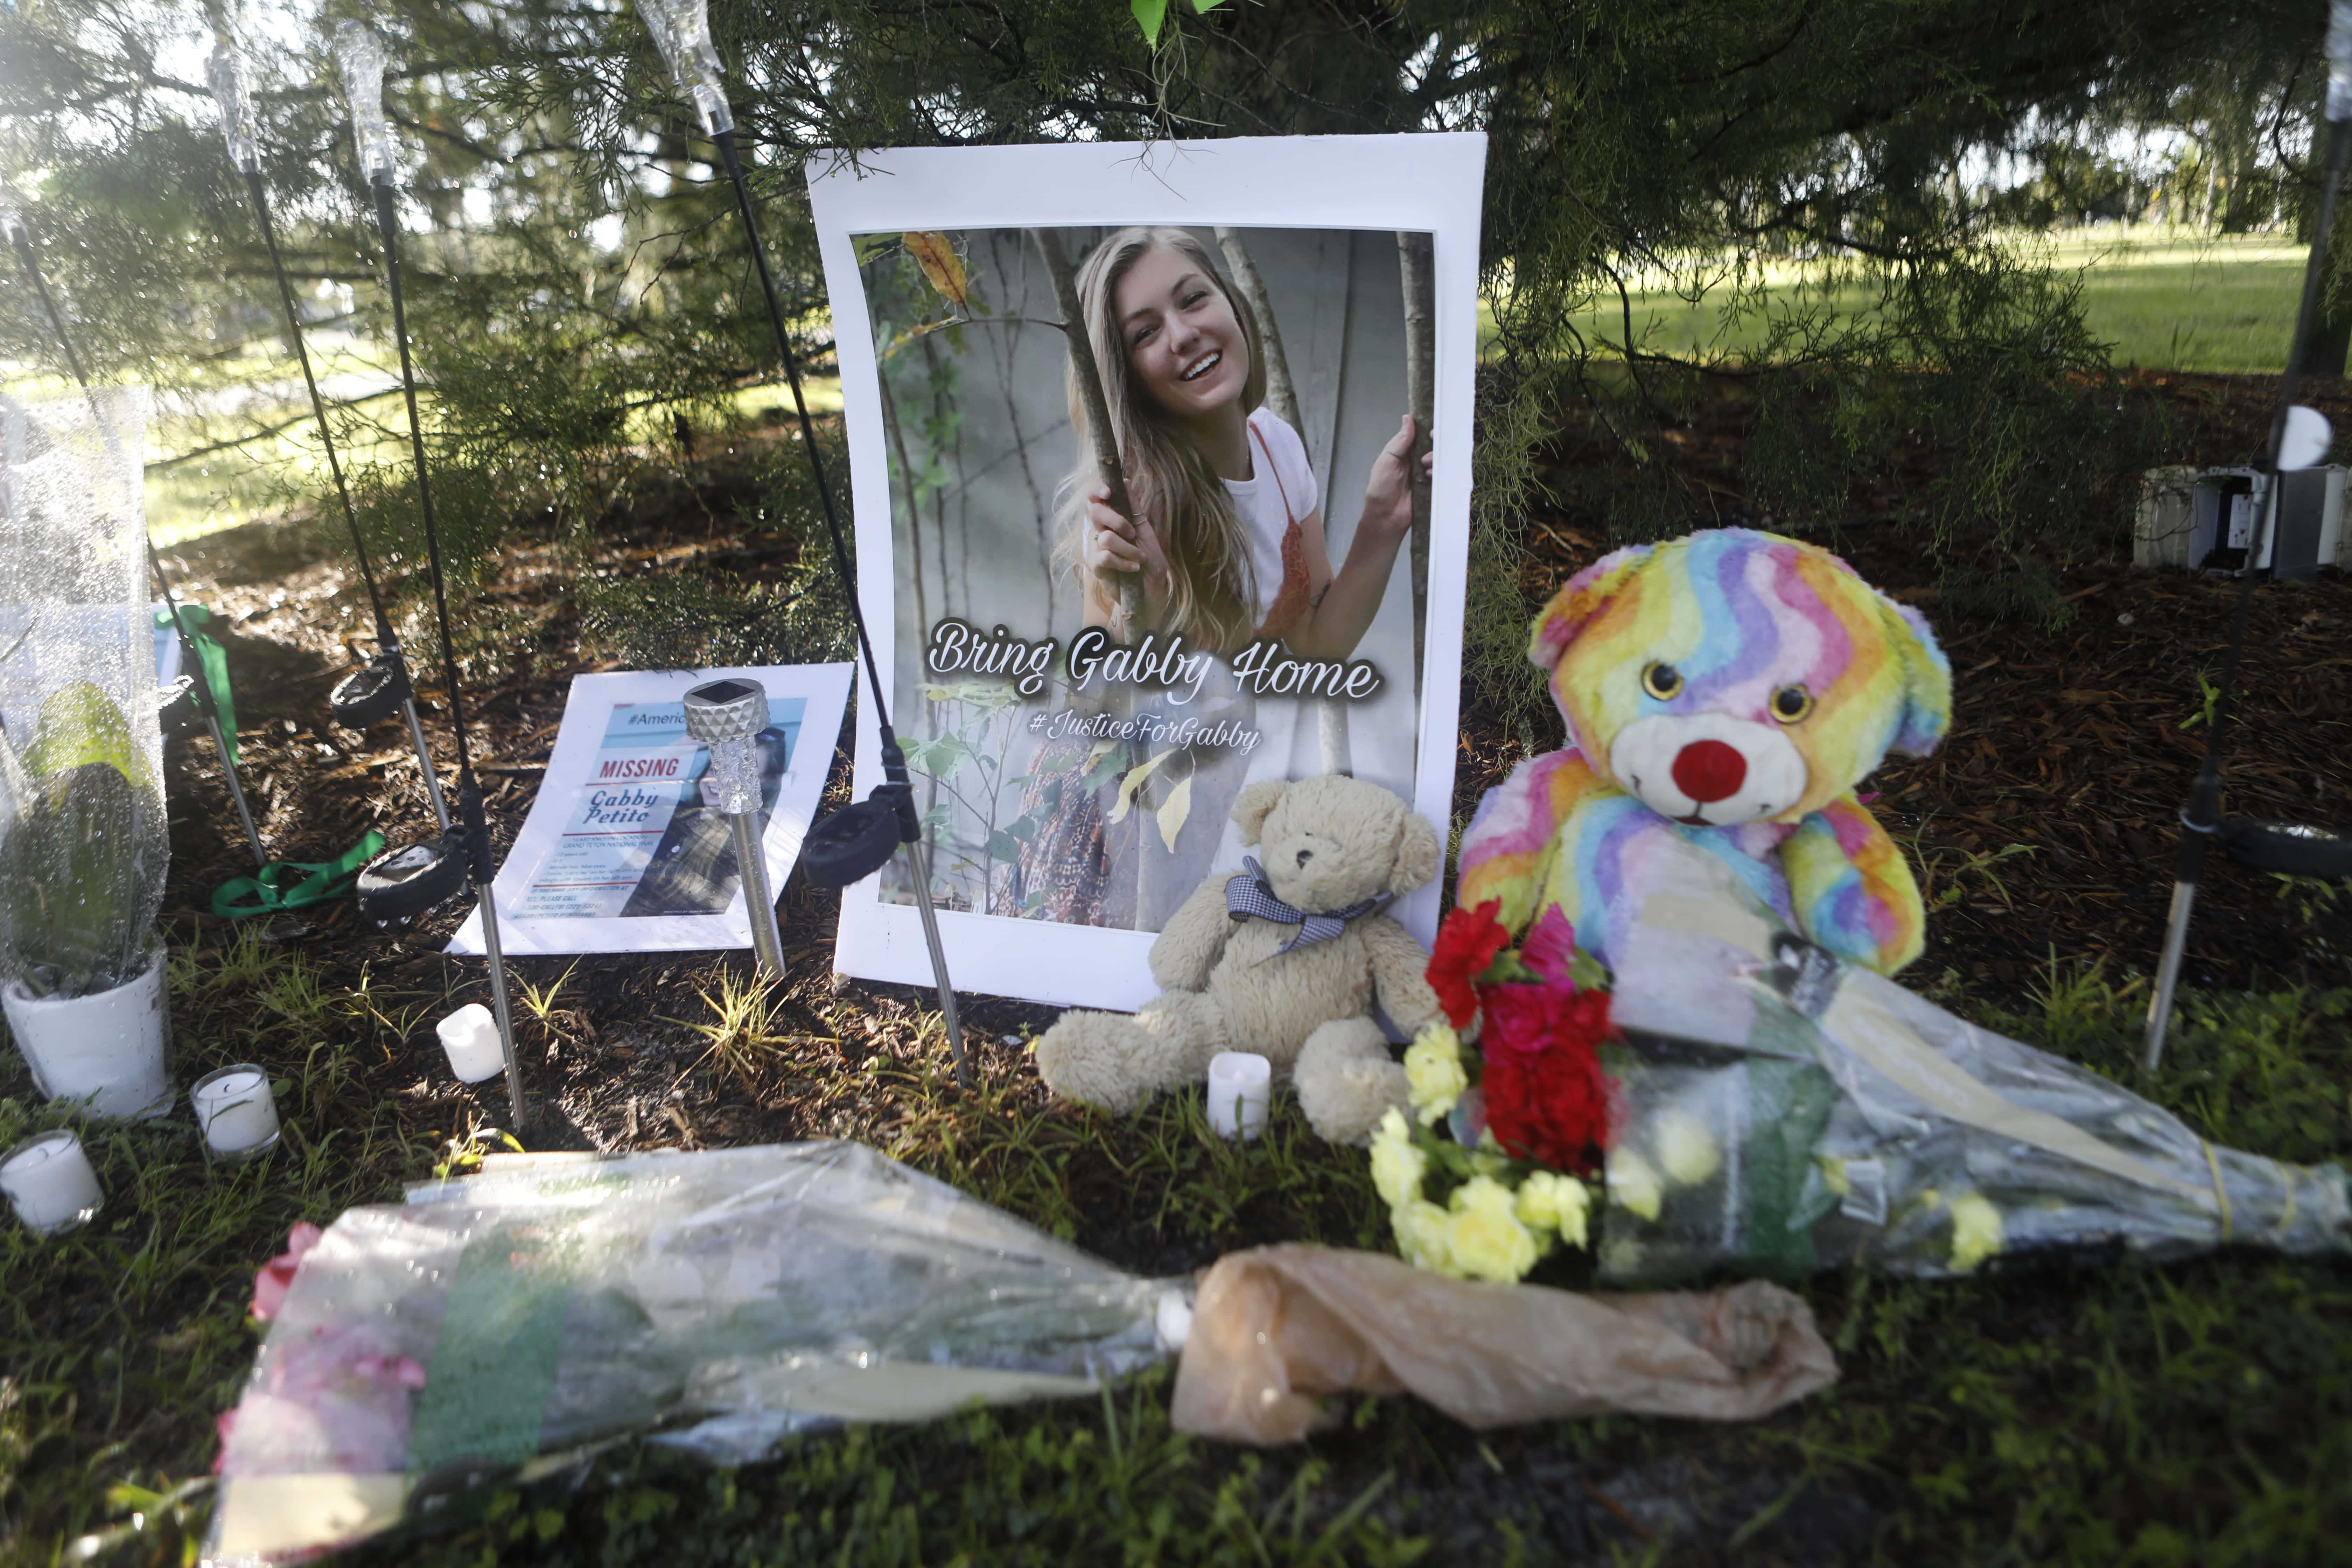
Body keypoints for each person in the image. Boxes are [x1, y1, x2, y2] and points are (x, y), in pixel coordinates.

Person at [991, 226, 1427, 929]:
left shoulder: (1275, 446)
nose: (1185, 333)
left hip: (1201, 789)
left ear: (1231, 301)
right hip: (1114, 805)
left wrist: (1381, 520)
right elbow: (1118, 711)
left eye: (1194, 299)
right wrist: (1145, 598)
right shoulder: (1136, 503)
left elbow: (1314, 642)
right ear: (1124, 376)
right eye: (1145, 333)